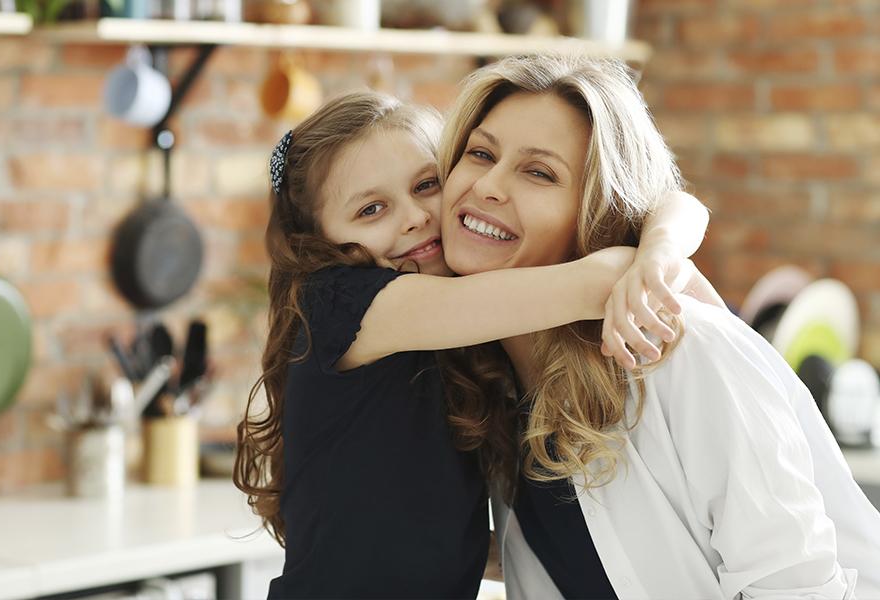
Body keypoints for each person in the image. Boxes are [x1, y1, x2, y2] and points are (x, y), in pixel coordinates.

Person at [233, 90, 709, 599]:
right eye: (372, 209)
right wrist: (657, 253)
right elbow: (602, 278)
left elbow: (683, 206)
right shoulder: (342, 303)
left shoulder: (451, 334)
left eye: (426, 185)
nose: (415, 216)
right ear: (319, 240)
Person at [437, 53, 880, 599]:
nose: (487, 186)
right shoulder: (497, 383)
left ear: (596, 217)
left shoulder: (682, 352)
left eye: (539, 172)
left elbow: (796, 588)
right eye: (480, 153)